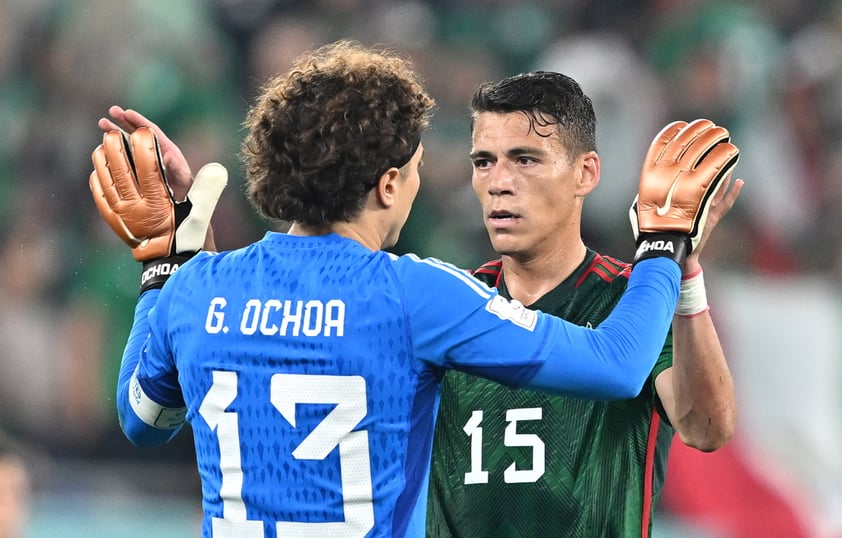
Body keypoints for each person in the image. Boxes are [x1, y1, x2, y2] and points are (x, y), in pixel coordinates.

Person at [87, 41, 735, 537]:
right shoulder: (414, 296)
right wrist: (664, 243)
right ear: (389, 184)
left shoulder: (196, 291)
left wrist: (161, 261)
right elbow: (619, 365)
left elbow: (142, 420)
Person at [425, 71, 741, 537]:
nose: (498, 182)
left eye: (525, 159)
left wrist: (683, 273)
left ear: (585, 173)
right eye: (483, 161)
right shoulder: (447, 307)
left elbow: (706, 429)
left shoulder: (636, 303)